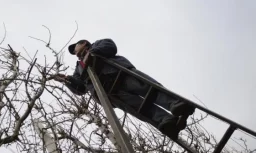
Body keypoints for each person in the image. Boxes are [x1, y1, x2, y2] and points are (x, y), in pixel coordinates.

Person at [53, 38, 195, 140]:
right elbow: (80, 89)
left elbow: (111, 47)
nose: (75, 52)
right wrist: (67, 80)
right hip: (109, 92)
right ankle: (164, 120)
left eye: (76, 48)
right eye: (73, 52)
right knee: (138, 107)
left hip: (119, 73)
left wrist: (92, 53)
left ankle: (174, 104)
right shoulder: (79, 69)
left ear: (84, 43)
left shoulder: (98, 44)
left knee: (149, 89)